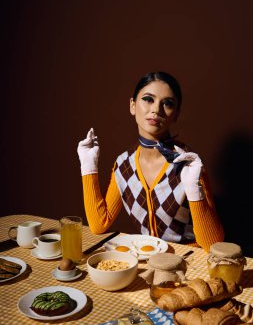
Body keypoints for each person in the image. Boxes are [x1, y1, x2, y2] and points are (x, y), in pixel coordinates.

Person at [77, 71, 224, 252]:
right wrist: (88, 166)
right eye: (148, 99)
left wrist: (194, 188)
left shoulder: (188, 163)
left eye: (167, 103)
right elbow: (99, 224)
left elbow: (213, 244)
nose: (156, 109)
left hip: (189, 260)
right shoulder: (124, 165)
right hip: (148, 259)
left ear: (175, 114)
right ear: (132, 105)